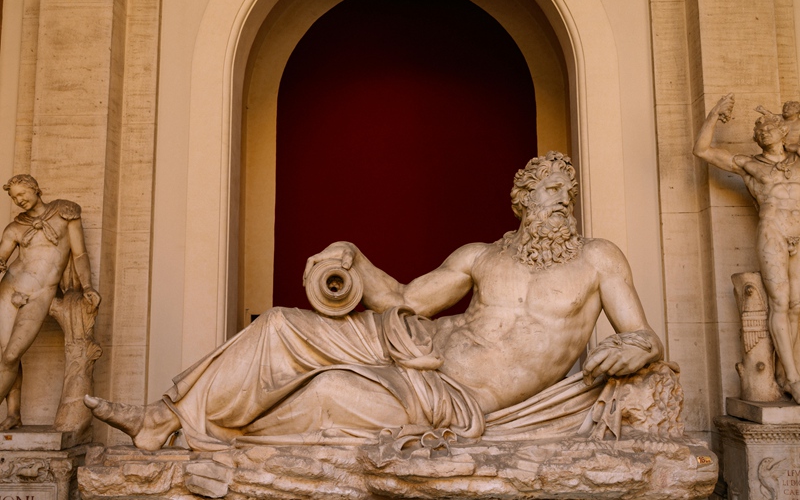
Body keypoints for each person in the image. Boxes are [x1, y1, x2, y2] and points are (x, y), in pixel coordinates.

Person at [86, 152, 663, 451]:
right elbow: (407, 300)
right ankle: (160, 419)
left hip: (451, 393)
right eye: (551, 189)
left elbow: (643, 335)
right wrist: (353, 258)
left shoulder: (598, 257)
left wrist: (635, 349)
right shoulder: (482, 255)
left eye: (569, 192)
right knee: (281, 325)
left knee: (329, 390)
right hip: (416, 341)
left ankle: (197, 437)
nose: (563, 200)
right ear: (522, 198)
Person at [694, 94, 800, 402]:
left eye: (770, 126)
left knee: (797, 306)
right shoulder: (750, 165)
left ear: (783, 133)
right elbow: (701, 150)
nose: (764, 130)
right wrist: (715, 114)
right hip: (773, 231)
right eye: (759, 129)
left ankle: (784, 371)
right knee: (780, 302)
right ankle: (793, 379)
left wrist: (794, 120)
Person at [0, 175, 100, 429]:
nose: (19, 200)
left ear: (37, 190)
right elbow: (2, 257)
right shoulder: (14, 227)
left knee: (12, 355)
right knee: (4, 354)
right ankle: (13, 414)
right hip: (9, 288)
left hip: (40, 293)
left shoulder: (66, 213)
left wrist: (87, 286)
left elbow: (79, 255)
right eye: (14, 197)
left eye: (22, 194)